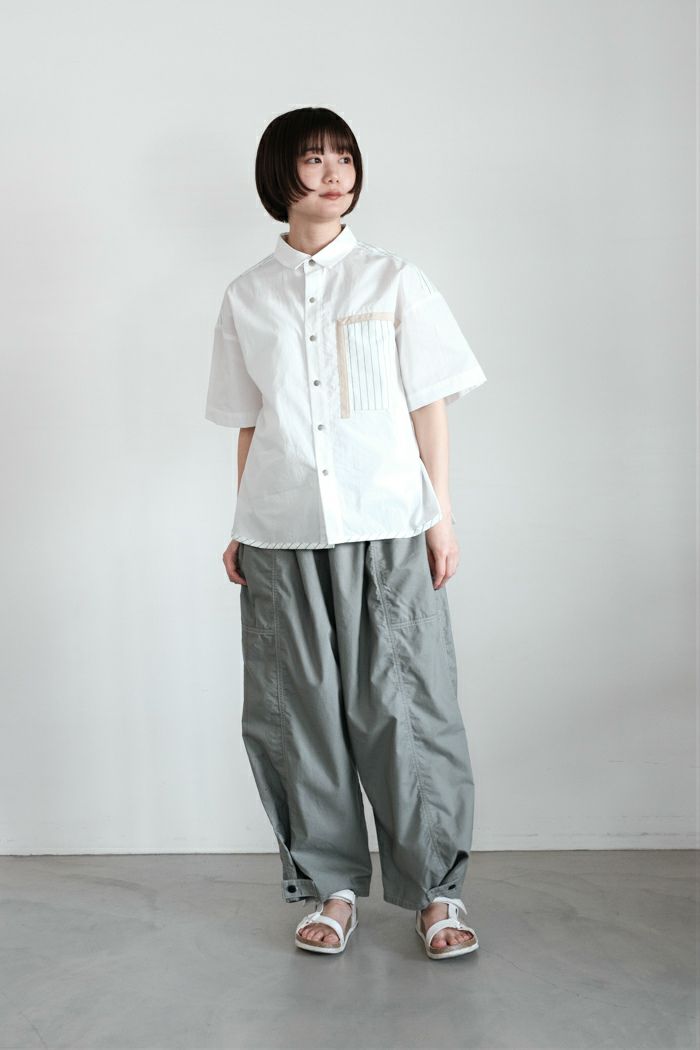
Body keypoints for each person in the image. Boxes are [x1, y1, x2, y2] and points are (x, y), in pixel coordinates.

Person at [205, 107, 487, 960]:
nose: (334, 174)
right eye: (314, 159)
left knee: (406, 705)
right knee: (299, 714)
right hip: (280, 531)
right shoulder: (247, 296)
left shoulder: (394, 281)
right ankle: (330, 886)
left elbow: (428, 405)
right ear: (278, 174)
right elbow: (250, 422)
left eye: (345, 159)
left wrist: (440, 514)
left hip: (388, 523)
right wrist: (241, 522)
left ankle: (437, 893)